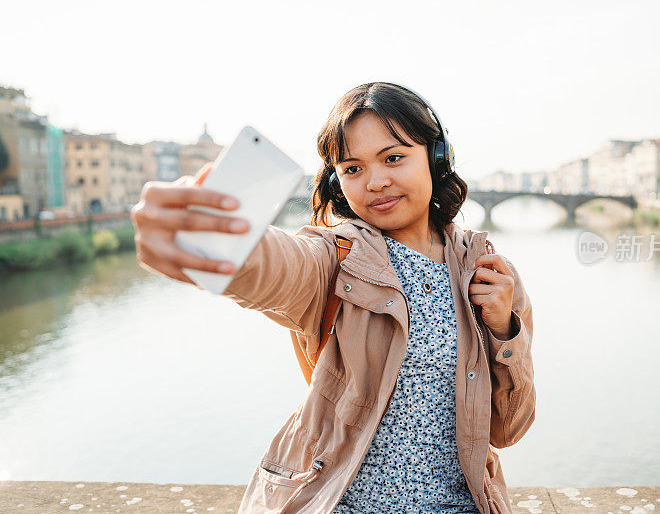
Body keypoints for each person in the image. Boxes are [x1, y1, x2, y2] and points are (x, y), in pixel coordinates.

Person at [131, 82, 536, 514]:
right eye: (353, 168)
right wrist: (219, 245)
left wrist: (502, 330)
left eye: (394, 158)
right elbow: (280, 265)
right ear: (336, 180)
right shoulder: (335, 259)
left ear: (437, 159)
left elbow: (509, 429)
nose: (376, 182)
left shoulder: (490, 273)